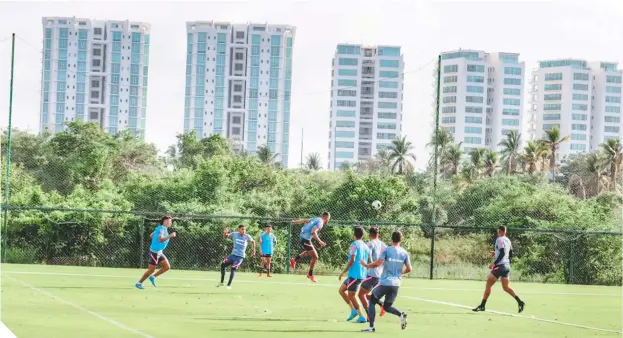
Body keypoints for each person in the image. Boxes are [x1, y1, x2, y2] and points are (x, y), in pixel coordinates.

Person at [360, 230, 411, 332]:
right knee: (387, 307)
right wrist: (400, 274)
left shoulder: (387, 250)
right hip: (396, 284)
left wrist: (366, 265)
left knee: (371, 300)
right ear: (401, 239)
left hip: (385, 282)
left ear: (391, 239)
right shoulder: (404, 252)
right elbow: (409, 268)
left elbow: (377, 264)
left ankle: (371, 326)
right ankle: (401, 314)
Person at [472, 225, 525, 313]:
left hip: (499, 266)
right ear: (505, 231)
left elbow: (502, 252)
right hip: (506, 266)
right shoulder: (508, 240)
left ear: (499, 231)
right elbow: (510, 253)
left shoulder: (499, 239)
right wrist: (496, 253)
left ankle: (482, 305)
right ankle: (520, 302)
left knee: (488, 285)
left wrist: (494, 263)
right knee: (506, 287)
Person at [338, 226, 370, 323]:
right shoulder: (366, 246)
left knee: (352, 295)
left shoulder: (354, 244)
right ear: (363, 235)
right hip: (357, 274)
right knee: (341, 290)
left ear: (354, 235)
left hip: (356, 275)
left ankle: (361, 316)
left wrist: (343, 271)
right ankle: (353, 310)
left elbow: (352, 259)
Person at [135, 216, 176, 289]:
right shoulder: (162, 229)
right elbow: (160, 240)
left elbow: (151, 236)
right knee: (151, 270)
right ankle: (139, 283)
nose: (170, 223)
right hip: (154, 252)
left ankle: (152, 277)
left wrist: (156, 242)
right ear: (164, 222)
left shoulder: (160, 228)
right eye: (168, 221)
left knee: (167, 267)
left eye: (170, 221)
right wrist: (170, 236)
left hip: (159, 252)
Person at [289, 211, 330, 283]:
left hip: (303, 237)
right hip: (305, 239)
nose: (328, 220)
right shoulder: (320, 222)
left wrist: (295, 222)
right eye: (328, 218)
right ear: (326, 217)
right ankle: (310, 274)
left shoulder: (316, 219)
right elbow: (313, 232)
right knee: (315, 257)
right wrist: (320, 241)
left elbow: (305, 220)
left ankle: (294, 260)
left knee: (309, 252)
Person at [358, 226, 387, 317]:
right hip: (380, 274)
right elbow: (386, 258)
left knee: (361, 294)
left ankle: (369, 315)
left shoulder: (370, 244)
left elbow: (369, 256)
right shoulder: (383, 245)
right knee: (366, 295)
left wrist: (369, 265)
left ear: (369, 234)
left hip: (372, 274)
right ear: (378, 234)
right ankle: (382, 304)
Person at [218, 224, 255, 289]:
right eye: (242, 229)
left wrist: (253, 250)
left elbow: (253, 241)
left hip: (239, 257)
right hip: (232, 255)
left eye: (245, 229)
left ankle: (228, 285)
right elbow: (226, 236)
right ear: (238, 229)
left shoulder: (247, 236)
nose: (244, 231)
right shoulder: (234, 234)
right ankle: (222, 282)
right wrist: (225, 232)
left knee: (233, 268)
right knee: (223, 264)